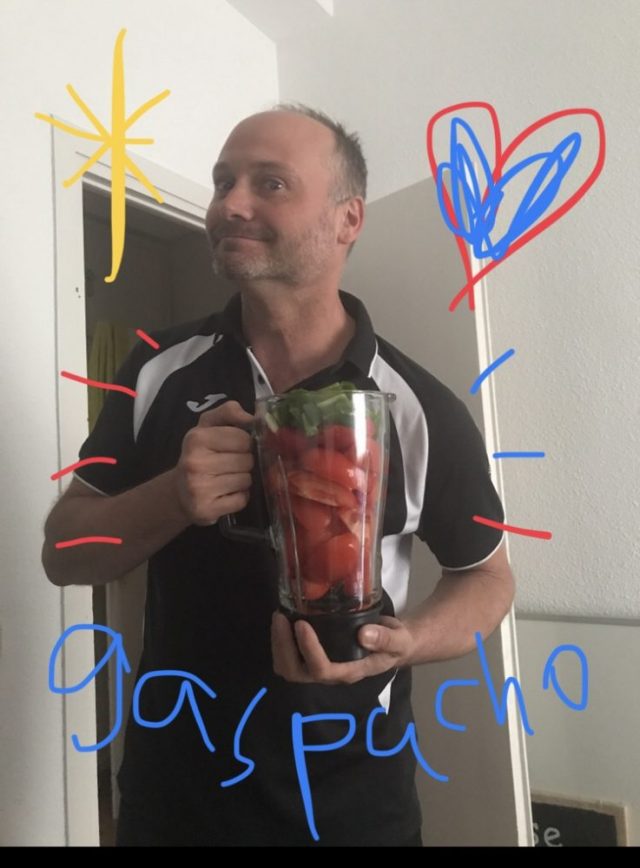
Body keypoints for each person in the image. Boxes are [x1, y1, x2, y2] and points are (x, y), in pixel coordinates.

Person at [41, 103, 515, 847]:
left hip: (353, 808)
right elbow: (63, 552)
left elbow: (487, 577)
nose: (231, 203)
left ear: (348, 219)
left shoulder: (418, 407)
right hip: (175, 800)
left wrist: (408, 641)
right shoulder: (155, 370)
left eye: (270, 183)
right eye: (222, 181)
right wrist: (172, 496)